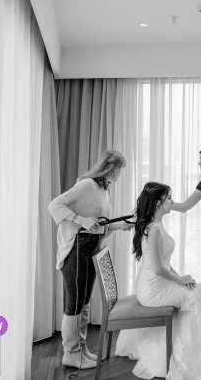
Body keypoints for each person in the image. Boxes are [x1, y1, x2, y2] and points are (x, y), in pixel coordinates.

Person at [115, 182, 201, 379]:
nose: (173, 202)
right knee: (194, 299)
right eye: (169, 198)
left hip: (155, 284)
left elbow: (164, 263)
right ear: (159, 202)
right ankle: (192, 357)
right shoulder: (154, 229)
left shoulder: (155, 225)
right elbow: (158, 268)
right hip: (152, 290)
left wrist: (180, 278)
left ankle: (199, 350)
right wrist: (180, 280)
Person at [48, 150, 134, 370]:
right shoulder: (87, 185)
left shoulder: (104, 189)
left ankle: (80, 348)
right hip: (78, 248)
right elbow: (55, 205)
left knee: (84, 302)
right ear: (113, 168)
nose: (120, 175)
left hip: (92, 246)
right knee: (75, 303)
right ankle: (71, 353)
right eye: (121, 170)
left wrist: (118, 225)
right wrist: (80, 219)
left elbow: (99, 224)